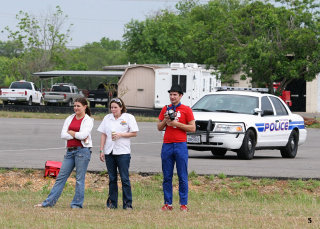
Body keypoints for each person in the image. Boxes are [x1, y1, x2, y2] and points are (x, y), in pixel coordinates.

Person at [35, 98, 94, 208]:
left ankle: (76, 205)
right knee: (61, 178)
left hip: (82, 151)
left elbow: (83, 136)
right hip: (69, 152)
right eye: (75, 105)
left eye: (78, 106)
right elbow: (63, 135)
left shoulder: (88, 120)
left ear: (85, 107)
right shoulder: (70, 118)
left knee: (79, 179)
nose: (76, 108)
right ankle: (48, 203)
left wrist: (71, 132)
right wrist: (76, 134)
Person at [157, 85, 196, 212]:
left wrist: (176, 124)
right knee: (167, 176)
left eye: (175, 95)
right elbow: (159, 127)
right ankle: (168, 203)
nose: (172, 97)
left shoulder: (186, 109)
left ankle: (183, 204)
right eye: (171, 94)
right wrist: (166, 120)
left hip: (180, 145)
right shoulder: (165, 108)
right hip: (167, 144)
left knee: (182, 176)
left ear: (180, 96)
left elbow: (192, 128)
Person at [98, 97, 139, 210]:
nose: (113, 109)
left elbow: (134, 133)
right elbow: (103, 134)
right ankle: (112, 203)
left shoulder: (128, 117)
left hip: (123, 152)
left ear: (121, 107)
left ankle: (127, 204)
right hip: (109, 151)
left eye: (116, 107)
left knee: (125, 178)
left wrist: (121, 135)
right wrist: (101, 150)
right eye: (111, 107)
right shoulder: (107, 118)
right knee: (112, 178)